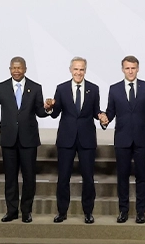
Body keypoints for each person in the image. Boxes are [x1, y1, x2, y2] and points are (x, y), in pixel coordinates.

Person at [0, 57, 49, 223]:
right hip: (8, 139)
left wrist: (48, 108)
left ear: (25, 69)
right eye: (13, 68)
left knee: (29, 177)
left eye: (19, 68)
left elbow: (40, 111)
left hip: (28, 139)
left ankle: (26, 211)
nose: (16, 71)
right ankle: (11, 211)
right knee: (10, 177)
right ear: (10, 69)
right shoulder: (1, 87)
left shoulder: (35, 87)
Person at [99, 56, 145, 224]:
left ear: (138, 68)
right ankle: (123, 211)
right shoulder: (114, 89)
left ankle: (141, 212)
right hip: (122, 139)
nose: (130, 71)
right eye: (127, 68)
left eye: (133, 68)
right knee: (122, 177)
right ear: (122, 69)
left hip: (142, 139)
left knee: (141, 177)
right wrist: (104, 120)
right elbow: (110, 112)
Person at [45, 57, 101, 224]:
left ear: (85, 71)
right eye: (76, 69)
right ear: (70, 70)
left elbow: (96, 111)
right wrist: (50, 108)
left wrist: (102, 117)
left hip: (87, 139)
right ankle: (62, 212)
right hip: (66, 138)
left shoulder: (93, 89)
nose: (78, 72)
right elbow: (55, 113)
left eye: (81, 69)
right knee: (63, 178)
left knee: (88, 178)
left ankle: (88, 212)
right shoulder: (61, 88)